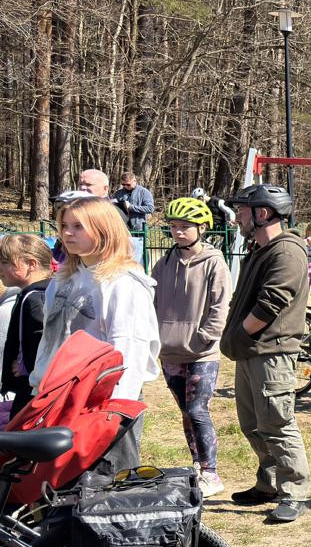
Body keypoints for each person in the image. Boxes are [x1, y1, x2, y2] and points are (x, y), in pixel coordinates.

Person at [221, 183, 311, 524]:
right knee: (253, 425)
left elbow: (271, 303)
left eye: (242, 211)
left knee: (277, 423)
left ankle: (294, 492)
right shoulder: (260, 250)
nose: (237, 218)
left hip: (272, 353)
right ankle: (269, 483)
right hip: (251, 352)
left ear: (262, 213)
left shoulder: (286, 252)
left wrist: (239, 333)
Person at [30, 197, 160, 409]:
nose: (67, 233)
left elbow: (128, 349)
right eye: (64, 226)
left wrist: (114, 409)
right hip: (53, 395)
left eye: (78, 226)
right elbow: (49, 339)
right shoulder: (62, 280)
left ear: (104, 230)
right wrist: (39, 385)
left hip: (100, 402)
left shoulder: (124, 284)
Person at [151, 197, 232, 497]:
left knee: (198, 410)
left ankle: (212, 472)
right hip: (169, 351)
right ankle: (198, 465)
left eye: (185, 226)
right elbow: (151, 301)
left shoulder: (214, 262)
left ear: (202, 228)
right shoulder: (163, 263)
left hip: (202, 353)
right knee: (186, 412)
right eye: (174, 226)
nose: (178, 232)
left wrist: (206, 336)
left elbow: (220, 305)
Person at [0, 234, 55, 412]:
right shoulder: (34, 293)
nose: (0, 267)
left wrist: (28, 368)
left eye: (5, 262)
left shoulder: (35, 299)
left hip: (32, 394)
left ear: (31, 264)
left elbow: (44, 340)